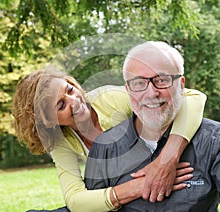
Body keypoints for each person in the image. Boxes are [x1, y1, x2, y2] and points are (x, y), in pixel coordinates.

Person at [85, 41, 220, 211]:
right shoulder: (104, 147)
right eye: (139, 83)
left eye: (162, 80)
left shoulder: (214, 139)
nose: (152, 93)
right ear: (128, 90)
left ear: (181, 85)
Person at [12, 67, 206, 211]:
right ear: (49, 122)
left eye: (70, 90)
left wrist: (168, 159)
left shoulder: (110, 99)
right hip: (125, 196)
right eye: (61, 105)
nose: (75, 101)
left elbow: (192, 97)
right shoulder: (60, 140)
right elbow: (75, 199)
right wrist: (138, 187)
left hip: (163, 189)